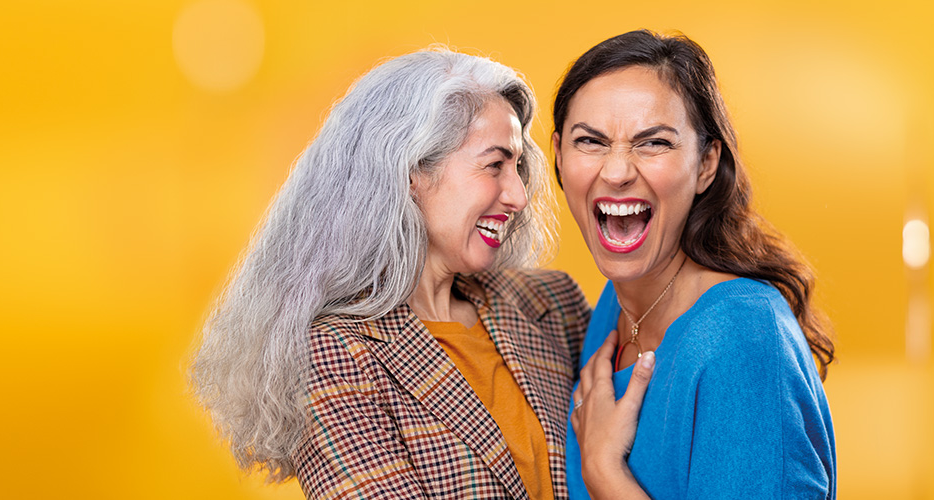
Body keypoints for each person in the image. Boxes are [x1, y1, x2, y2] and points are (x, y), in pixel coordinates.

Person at [189, 48, 591, 499]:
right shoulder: (333, 356)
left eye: (517, 166)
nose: (518, 195)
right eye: (494, 165)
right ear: (410, 171)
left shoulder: (551, 304)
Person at [552, 30, 839, 499]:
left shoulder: (745, 338)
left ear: (706, 163)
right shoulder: (615, 306)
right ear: (560, 157)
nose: (618, 171)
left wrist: (604, 471)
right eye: (591, 141)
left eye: (654, 143)